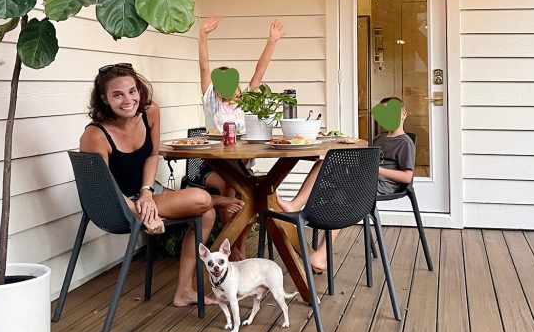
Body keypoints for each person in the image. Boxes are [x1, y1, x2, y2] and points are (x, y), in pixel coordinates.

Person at [80, 64, 242, 308]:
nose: (128, 100)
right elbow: (105, 187)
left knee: (207, 214)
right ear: (104, 98)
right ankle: (215, 199)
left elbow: (151, 155)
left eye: (132, 91)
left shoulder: (150, 112)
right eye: (117, 95)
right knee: (202, 200)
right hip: (117, 202)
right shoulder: (96, 135)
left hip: (148, 192)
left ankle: (184, 292)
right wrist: (140, 212)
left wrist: (146, 194)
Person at [276, 98, 415, 272]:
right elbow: (367, 161)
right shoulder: (379, 138)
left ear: (403, 114)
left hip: (384, 184)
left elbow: (407, 177)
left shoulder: (405, 143)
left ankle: (321, 254)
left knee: (342, 195)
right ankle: (295, 205)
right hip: (367, 178)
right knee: (323, 166)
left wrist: (376, 170)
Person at [195, 16, 284, 260]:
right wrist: (202, 36)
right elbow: (204, 67)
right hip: (213, 169)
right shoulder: (211, 102)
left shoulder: (246, 103)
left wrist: (272, 41)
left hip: (243, 169)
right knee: (229, 187)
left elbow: (260, 71)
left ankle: (239, 247)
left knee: (251, 196)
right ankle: (232, 248)